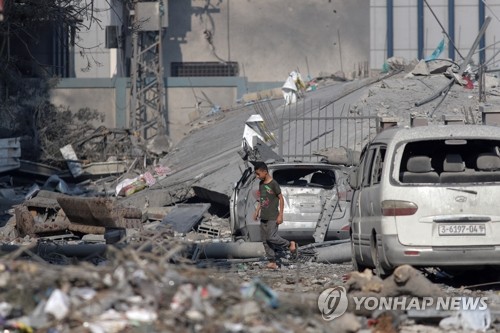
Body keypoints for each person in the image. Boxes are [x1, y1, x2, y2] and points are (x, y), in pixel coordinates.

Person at [252, 161, 296, 269]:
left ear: (265, 172)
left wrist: (281, 215)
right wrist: (257, 211)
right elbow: (261, 200)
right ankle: (272, 261)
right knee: (265, 240)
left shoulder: (273, 184)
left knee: (271, 237)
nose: (257, 176)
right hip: (264, 216)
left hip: (273, 216)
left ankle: (290, 244)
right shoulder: (261, 184)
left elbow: (281, 199)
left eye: (258, 174)